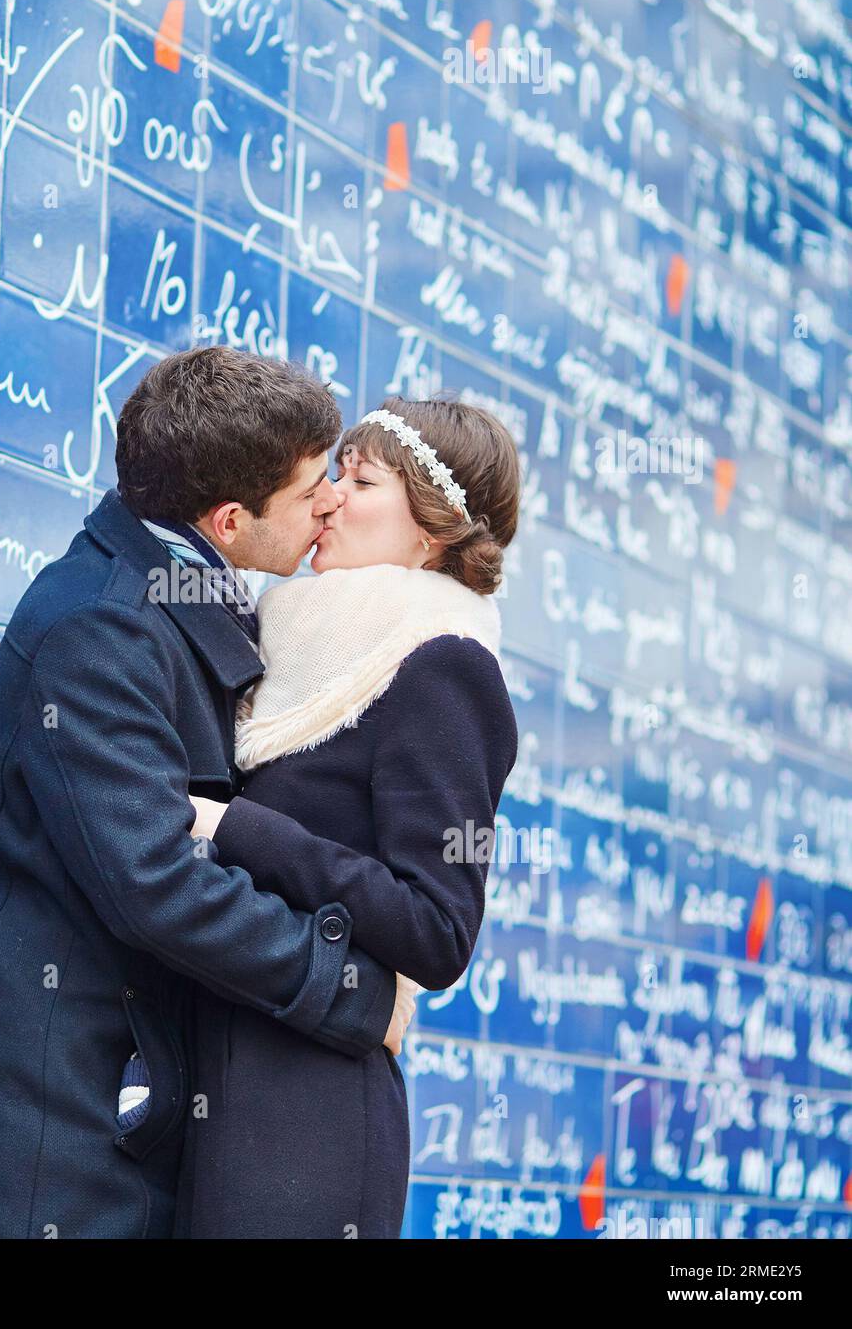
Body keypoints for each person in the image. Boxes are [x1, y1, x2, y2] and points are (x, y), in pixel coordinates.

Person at [0, 346, 417, 1239]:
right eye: (314, 484)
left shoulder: (168, 604)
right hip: (44, 1146)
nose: (331, 501)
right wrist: (349, 989)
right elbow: (157, 883)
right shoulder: (103, 627)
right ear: (231, 519)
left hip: (109, 1119)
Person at [175, 394, 521, 1238]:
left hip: (306, 1115)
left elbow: (438, 930)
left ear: (431, 530)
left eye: (358, 480)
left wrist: (235, 829)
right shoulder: (281, 642)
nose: (328, 495)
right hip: (205, 1076)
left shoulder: (444, 668)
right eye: (332, 476)